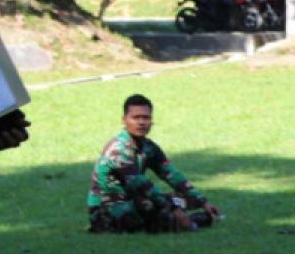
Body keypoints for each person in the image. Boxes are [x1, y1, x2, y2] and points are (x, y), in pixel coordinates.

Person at [87, 94, 222, 233]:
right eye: (136, 117)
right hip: (106, 212)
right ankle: (184, 222)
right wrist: (173, 209)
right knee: (151, 204)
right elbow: (140, 184)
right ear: (124, 120)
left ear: (152, 121)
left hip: (133, 202)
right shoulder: (117, 150)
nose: (141, 122)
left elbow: (171, 174)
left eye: (146, 117)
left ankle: (183, 221)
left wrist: (203, 202)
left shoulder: (148, 147)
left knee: (181, 198)